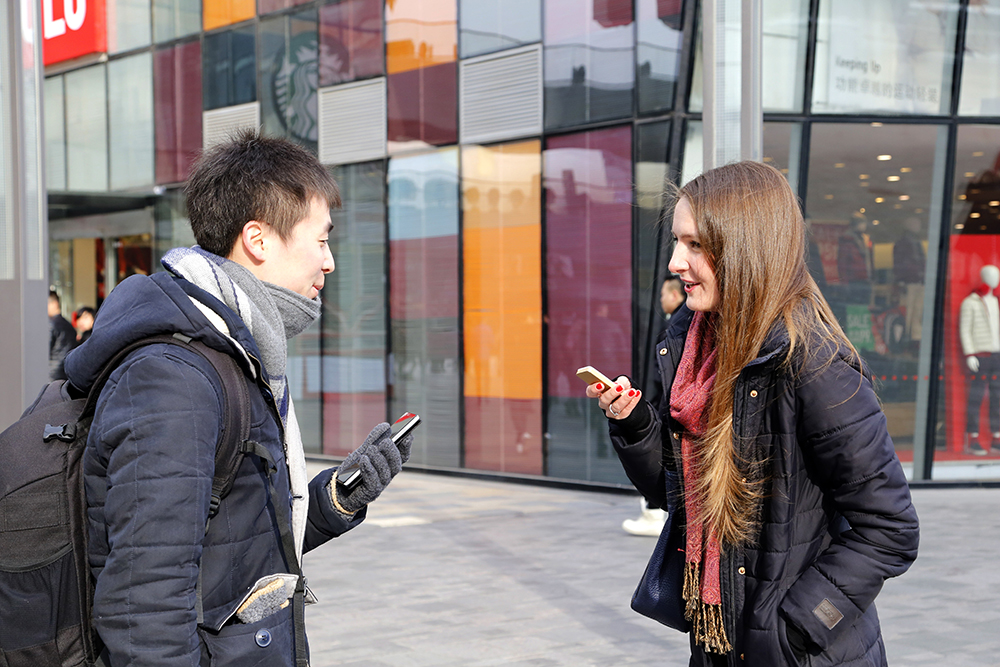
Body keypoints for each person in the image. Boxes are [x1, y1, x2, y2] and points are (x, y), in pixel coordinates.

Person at [64, 130, 411, 666]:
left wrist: (339, 497)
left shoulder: (237, 352)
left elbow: (237, 548)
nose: (330, 262)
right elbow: (145, 605)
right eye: (321, 240)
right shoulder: (177, 378)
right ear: (258, 239)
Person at [586, 161, 919, 666]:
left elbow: (890, 528)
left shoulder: (814, 363)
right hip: (719, 638)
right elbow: (677, 494)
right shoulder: (697, 345)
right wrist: (636, 425)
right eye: (677, 242)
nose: (676, 261)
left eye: (695, 244)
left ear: (745, 247)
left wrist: (799, 625)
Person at [623, 275, 686, 537]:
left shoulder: (682, 325)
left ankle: (653, 513)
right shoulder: (681, 323)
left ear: (674, 295)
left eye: (663, 295)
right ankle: (654, 511)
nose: (660, 300)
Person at [48, 290, 77, 380]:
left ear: (54, 304)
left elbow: (45, 350)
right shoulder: (69, 326)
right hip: (66, 374)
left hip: (50, 374)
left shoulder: (50, 325)